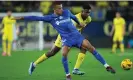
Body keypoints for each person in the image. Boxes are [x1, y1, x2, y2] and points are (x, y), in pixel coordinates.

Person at [13, 3, 115, 80]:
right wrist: (21, 17)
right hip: (64, 38)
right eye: (59, 8)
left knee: (90, 47)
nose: (62, 9)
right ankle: (36, 65)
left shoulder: (67, 12)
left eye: (62, 7)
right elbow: (36, 18)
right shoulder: (50, 18)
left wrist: (80, 23)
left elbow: (74, 17)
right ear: (55, 9)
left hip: (76, 36)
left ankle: (106, 66)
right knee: (57, 53)